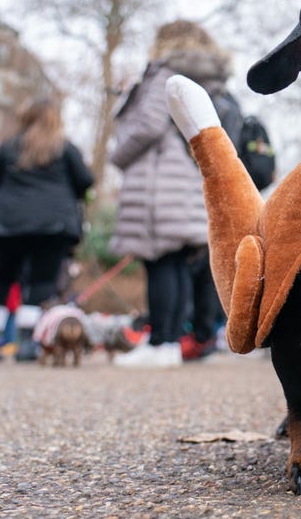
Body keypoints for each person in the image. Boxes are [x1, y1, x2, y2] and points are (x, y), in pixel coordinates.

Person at [108, 20, 235, 369]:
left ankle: (161, 341)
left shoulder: (162, 72)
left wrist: (117, 155)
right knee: (176, 262)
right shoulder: (201, 79)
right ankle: (169, 341)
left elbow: (149, 123)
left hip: (158, 180)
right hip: (184, 179)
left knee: (160, 261)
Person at [0, 99, 94, 362]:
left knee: (1, 278)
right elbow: (85, 181)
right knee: (42, 281)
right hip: (52, 224)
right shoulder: (65, 148)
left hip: (8, 224)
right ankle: (28, 343)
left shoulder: (8, 147)